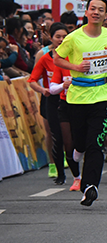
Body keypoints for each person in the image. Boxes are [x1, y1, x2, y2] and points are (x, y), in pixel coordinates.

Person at [52, 0, 107, 206]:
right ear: (86, 12)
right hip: (77, 97)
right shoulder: (73, 38)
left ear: (105, 14)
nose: (96, 12)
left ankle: (90, 187)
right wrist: (75, 67)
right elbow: (57, 58)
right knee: (80, 142)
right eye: (93, 8)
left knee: (96, 143)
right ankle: (78, 150)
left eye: (100, 9)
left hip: (103, 95)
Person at [28, 22, 69, 184]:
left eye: (64, 37)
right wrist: (43, 89)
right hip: (51, 98)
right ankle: (55, 166)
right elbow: (33, 79)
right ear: (51, 38)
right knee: (53, 134)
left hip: (71, 99)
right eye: (58, 37)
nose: (61, 40)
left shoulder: (74, 54)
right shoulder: (44, 56)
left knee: (71, 135)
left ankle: (72, 163)